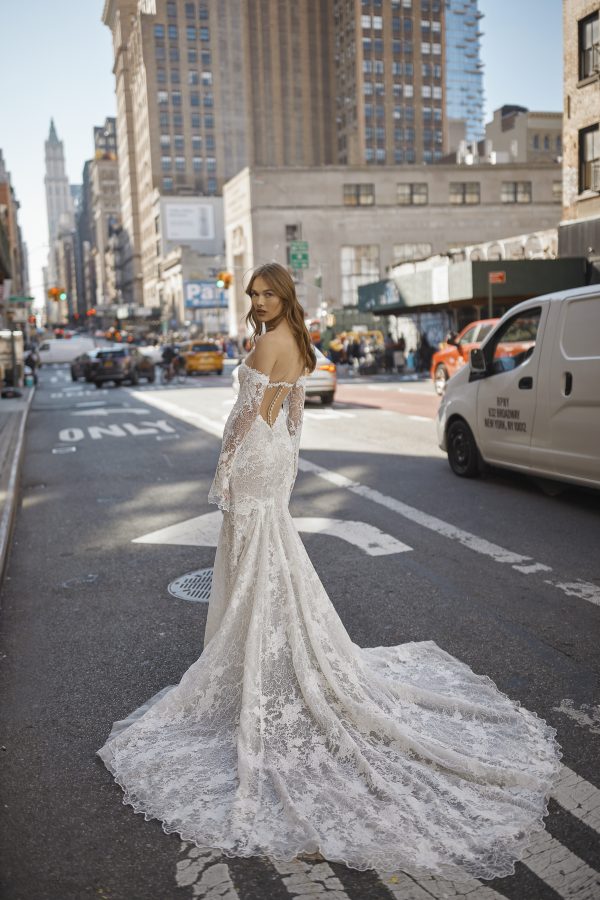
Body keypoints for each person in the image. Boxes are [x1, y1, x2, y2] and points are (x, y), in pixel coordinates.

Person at [97, 262, 561, 880]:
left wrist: (225, 474)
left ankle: (261, 661)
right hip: (278, 460)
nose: (258, 302)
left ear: (285, 296)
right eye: (254, 294)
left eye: (268, 294)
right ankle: (273, 654)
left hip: (254, 461)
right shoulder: (295, 342)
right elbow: (291, 415)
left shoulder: (268, 343)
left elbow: (245, 419)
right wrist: (286, 460)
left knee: (252, 558)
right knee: (272, 558)